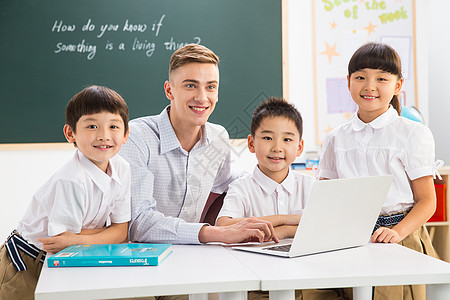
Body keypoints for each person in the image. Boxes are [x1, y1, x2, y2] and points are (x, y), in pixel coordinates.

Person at [317, 42, 442, 300]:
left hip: (401, 237)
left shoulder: (413, 134)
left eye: (382, 78)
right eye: (360, 77)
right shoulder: (335, 139)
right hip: (351, 240)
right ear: (348, 82)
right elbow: (326, 200)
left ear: (397, 86)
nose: (369, 86)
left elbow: (428, 201)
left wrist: (397, 232)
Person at [119, 44, 277, 245]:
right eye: (190, 85)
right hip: (140, 262)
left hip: (193, 256)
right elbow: (139, 224)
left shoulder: (218, 137)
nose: (202, 97)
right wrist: (218, 233)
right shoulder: (137, 137)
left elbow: (230, 181)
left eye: (210, 86)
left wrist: (280, 177)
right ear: (170, 90)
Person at [0, 85, 131, 300]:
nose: (104, 136)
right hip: (25, 263)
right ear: (71, 133)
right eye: (91, 126)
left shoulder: (123, 168)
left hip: (66, 258)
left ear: (126, 134)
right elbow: (62, 244)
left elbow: (121, 231)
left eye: (114, 127)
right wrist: (91, 235)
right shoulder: (71, 180)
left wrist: (79, 236)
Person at [216, 97, 315, 241]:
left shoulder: (311, 185)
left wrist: (286, 230)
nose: (277, 148)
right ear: (251, 143)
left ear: (299, 147)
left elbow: (329, 224)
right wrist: (284, 219)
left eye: (287, 140)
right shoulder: (242, 188)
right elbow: (222, 226)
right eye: (268, 138)